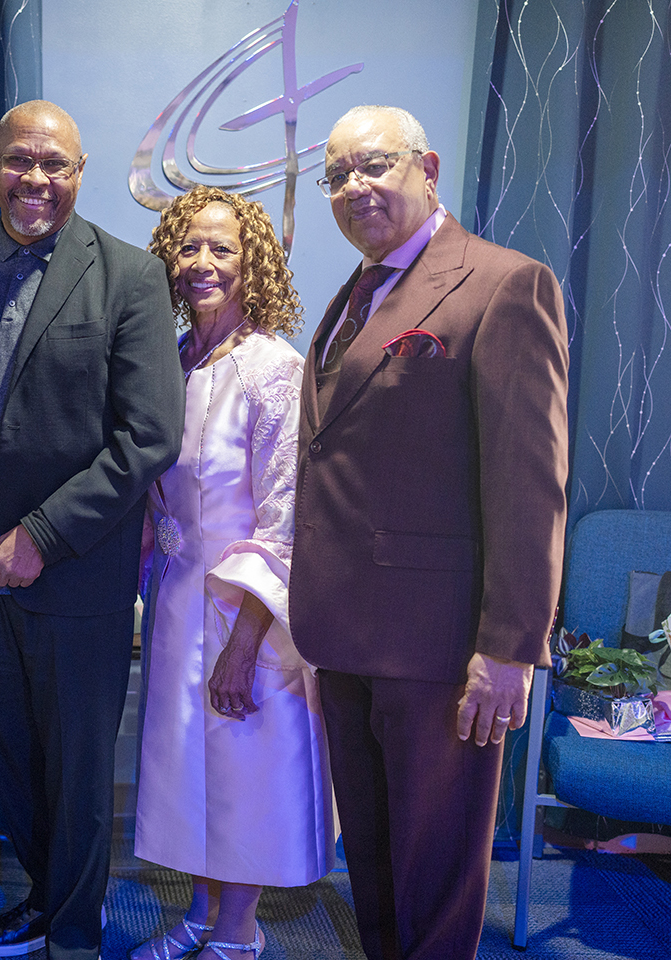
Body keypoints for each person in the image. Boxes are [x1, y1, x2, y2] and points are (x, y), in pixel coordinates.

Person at [289, 104, 569, 960]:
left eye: (374, 164)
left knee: (436, 880)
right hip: (345, 639)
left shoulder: (505, 284)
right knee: (373, 870)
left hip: (440, 650)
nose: (355, 187)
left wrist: (510, 648)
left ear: (429, 167)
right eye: (337, 175)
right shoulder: (354, 294)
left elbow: (529, 483)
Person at [0, 100, 185, 960]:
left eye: (54, 164)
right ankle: (41, 899)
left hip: (74, 574)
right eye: (20, 160)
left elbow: (149, 436)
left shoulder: (130, 276)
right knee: (12, 762)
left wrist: (42, 534)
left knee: (75, 771)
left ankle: (74, 936)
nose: (36, 180)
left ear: (80, 172)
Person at [132, 187, 333, 960]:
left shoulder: (273, 369)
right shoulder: (176, 362)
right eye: (189, 247)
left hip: (248, 612)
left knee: (244, 777)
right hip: (178, 600)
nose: (203, 262)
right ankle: (198, 914)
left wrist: (244, 645)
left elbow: (285, 519)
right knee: (192, 775)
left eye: (222, 248)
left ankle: (237, 933)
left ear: (255, 265)